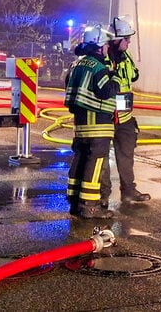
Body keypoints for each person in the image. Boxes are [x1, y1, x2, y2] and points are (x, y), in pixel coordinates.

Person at [65, 24, 120, 219]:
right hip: (98, 125)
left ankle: (74, 202)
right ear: (99, 46)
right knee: (95, 164)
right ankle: (89, 206)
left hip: (81, 125)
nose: (107, 49)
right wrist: (115, 78)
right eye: (106, 45)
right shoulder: (98, 67)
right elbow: (106, 92)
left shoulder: (77, 64)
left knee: (80, 160)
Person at [101, 15, 150, 206]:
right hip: (105, 115)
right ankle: (102, 195)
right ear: (116, 39)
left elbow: (134, 75)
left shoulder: (126, 56)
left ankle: (128, 191)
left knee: (127, 154)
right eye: (126, 39)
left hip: (125, 115)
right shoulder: (103, 56)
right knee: (101, 157)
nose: (129, 42)